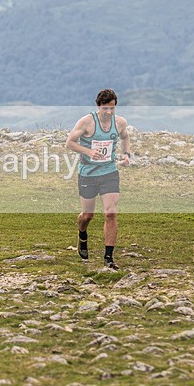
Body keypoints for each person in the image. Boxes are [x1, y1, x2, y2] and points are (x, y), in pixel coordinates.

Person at [66, 89, 132, 270]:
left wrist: (126, 155)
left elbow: (125, 137)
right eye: (105, 109)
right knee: (88, 215)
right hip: (88, 173)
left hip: (109, 172)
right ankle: (82, 233)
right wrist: (89, 152)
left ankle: (108, 257)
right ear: (98, 106)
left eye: (112, 108)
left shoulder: (119, 123)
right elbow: (70, 142)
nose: (109, 112)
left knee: (111, 213)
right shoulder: (87, 122)